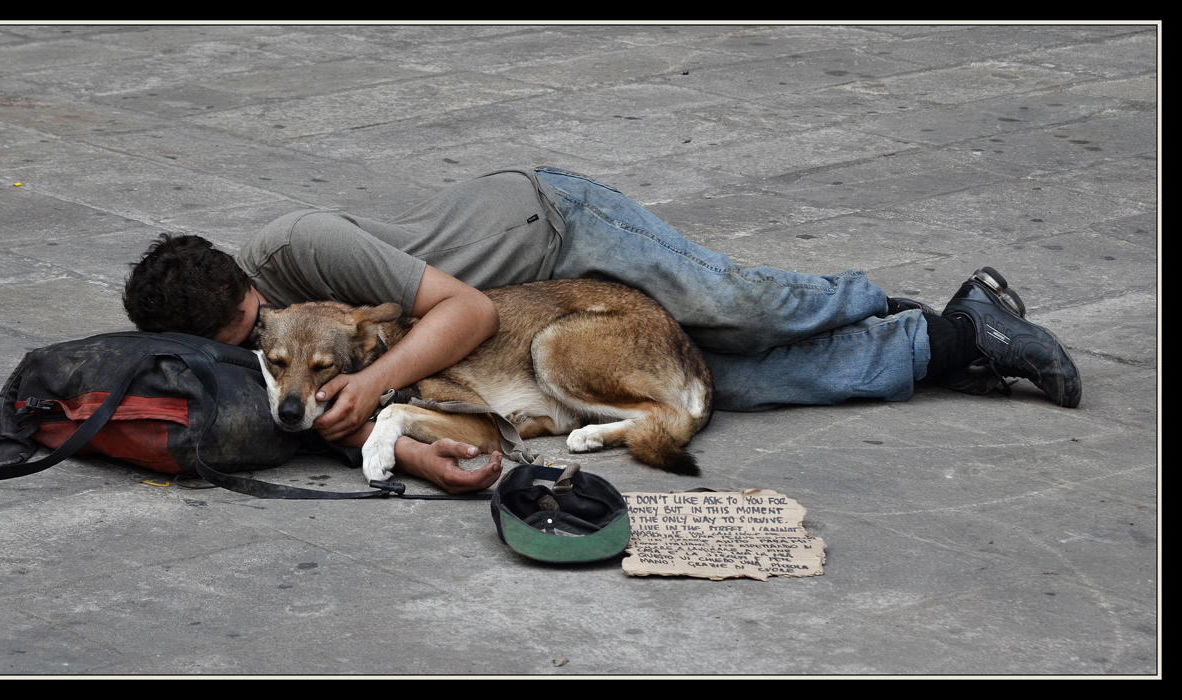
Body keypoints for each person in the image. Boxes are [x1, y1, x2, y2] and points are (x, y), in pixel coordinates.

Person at [123, 166, 1081, 493]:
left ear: (248, 281)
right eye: (242, 346)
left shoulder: (304, 252)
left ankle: (895, 302)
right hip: (548, 317)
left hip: (553, 225)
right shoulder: (251, 331)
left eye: (252, 323)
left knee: (741, 309)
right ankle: (952, 343)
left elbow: (469, 313)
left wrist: (371, 389)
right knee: (717, 384)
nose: (259, 347)